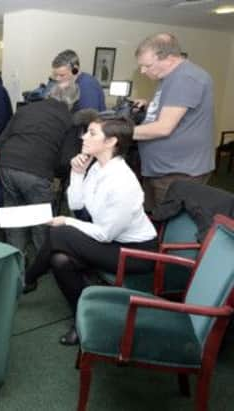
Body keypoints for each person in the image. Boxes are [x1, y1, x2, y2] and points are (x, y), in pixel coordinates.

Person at [22, 114, 157, 346]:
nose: (84, 136)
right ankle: (80, 317)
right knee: (59, 260)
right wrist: (77, 174)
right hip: (110, 240)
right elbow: (76, 205)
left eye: (92, 133)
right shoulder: (96, 168)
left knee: (59, 233)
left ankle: (28, 279)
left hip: (134, 253)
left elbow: (104, 233)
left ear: (111, 142)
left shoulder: (123, 182)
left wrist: (67, 222)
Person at [0, 81, 80, 264]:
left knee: (14, 216)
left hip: (8, 165)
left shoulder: (27, 108)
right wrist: (53, 172)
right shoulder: (69, 119)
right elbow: (67, 159)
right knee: (41, 222)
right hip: (37, 172)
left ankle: (16, 260)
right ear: (73, 102)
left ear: (50, 93)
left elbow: (2, 139)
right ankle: (40, 266)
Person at [132, 32, 214, 211]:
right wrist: (150, 105)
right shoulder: (169, 78)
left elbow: (164, 127)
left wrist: (122, 131)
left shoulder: (185, 78)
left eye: (147, 65)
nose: (143, 71)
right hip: (162, 169)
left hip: (178, 173)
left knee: (170, 229)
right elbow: (175, 113)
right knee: (154, 223)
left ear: (168, 58)